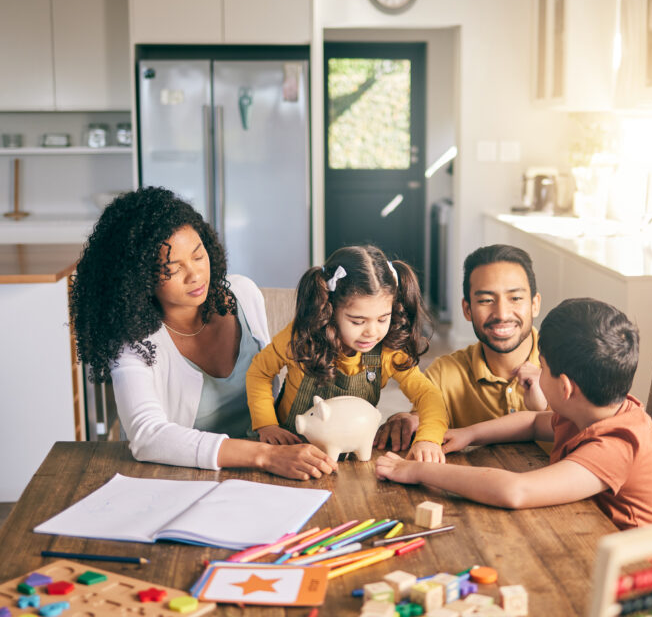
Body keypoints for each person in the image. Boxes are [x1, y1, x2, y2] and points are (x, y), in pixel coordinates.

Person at [69, 186, 335, 480]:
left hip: (276, 464)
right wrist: (265, 456)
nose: (195, 275)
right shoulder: (134, 342)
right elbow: (147, 436)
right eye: (172, 268)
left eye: (198, 256)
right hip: (188, 476)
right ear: (138, 277)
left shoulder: (243, 294)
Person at [375, 298, 652, 529]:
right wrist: (470, 433)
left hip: (628, 578)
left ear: (565, 388)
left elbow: (515, 491)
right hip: (587, 532)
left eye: (542, 368)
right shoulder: (598, 409)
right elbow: (533, 421)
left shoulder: (616, 445)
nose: (537, 372)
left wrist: (416, 471)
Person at [246, 245, 449, 463]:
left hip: (352, 456)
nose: (372, 332)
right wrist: (267, 424)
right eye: (357, 321)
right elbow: (259, 372)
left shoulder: (389, 351)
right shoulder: (301, 337)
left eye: (383, 319)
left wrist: (428, 439)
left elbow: (428, 395)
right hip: (291, 451)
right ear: (330, 310)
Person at [375, 244, 547, 452]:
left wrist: (548, 405)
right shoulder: (444, 373)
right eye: (486, 300)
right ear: (467, 309)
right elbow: (423, 419)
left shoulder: (568, 367)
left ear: (535, 304)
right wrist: (406, 421)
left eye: (515, 298)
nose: (502, 313)